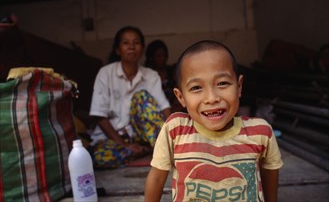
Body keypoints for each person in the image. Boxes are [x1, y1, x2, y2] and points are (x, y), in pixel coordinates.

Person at [144, 40, 283, 201]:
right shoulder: (176, 130)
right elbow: (156, 178)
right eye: (196, 87)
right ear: (181, 97)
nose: (211, 98)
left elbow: (270, 172)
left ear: (239, 87)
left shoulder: (260, 132)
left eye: (222, 83)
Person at [89, 26, 171, 169]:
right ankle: (144, 151)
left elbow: (164, 108)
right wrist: (124, 144)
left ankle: (163, 149)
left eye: (136, 43)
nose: (131, 47)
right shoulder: (105, 73)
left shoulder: (151, 75)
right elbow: (99, 115)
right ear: (117, 49)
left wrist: (174, 135)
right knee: (100, 157)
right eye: (126, 43)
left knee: (142, 97)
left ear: (142, 49)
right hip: (112, 138)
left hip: (140, 135)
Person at [145, 39, 182, 112]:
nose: (162, 58)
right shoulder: (148, 75)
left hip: (176, 108)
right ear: (151, 57)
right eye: (158, 56)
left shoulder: (171, 71)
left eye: (164, 55)